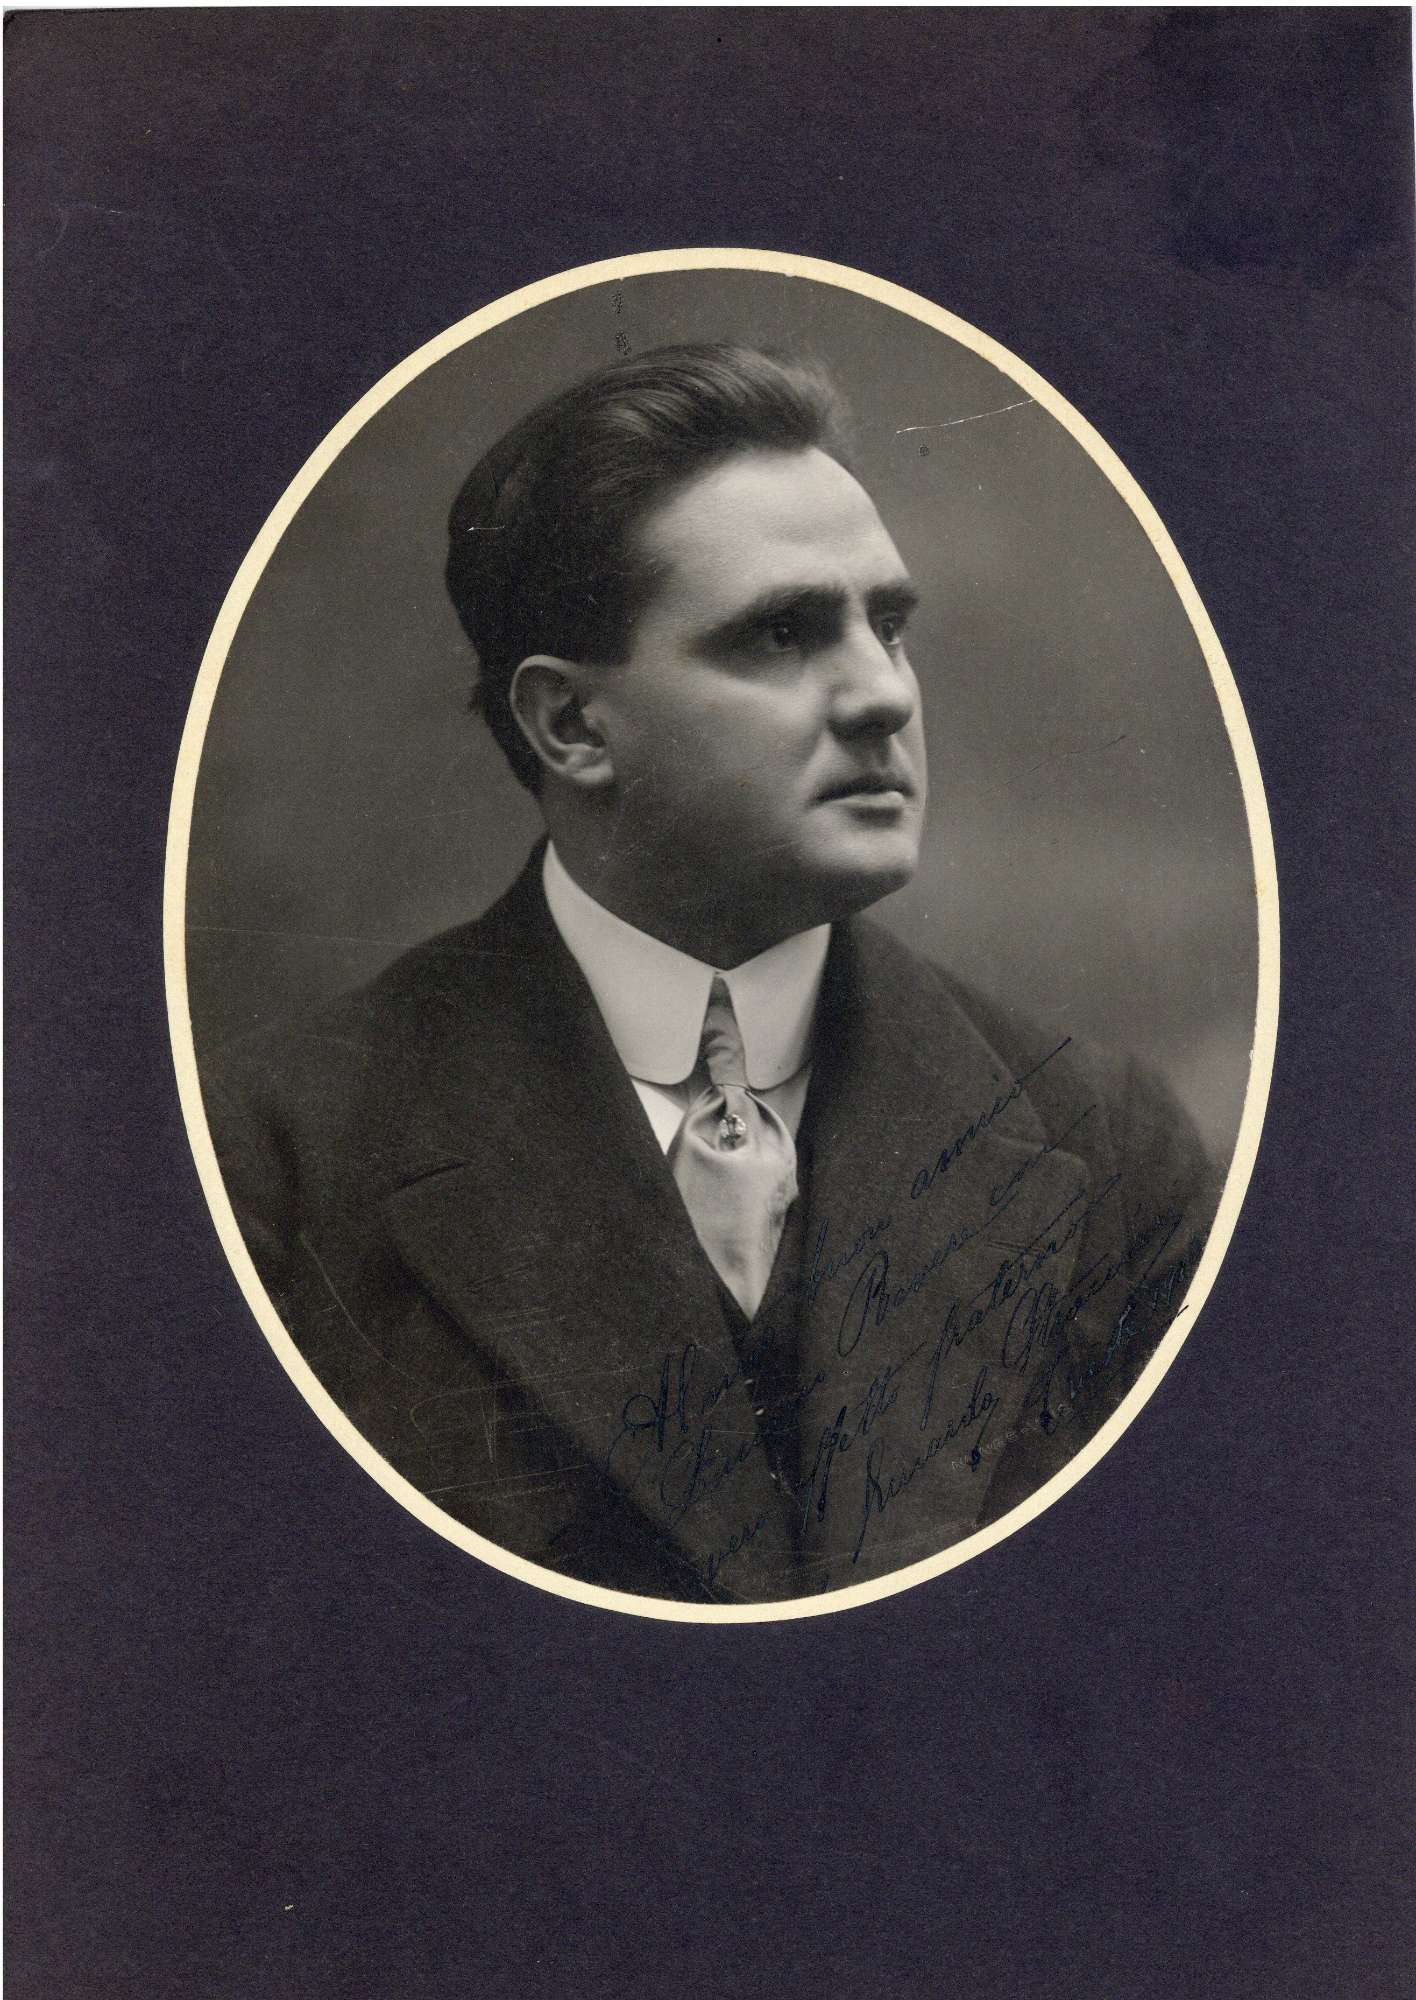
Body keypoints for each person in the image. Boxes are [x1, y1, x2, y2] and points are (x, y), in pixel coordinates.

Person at [206, 343, 1220, 1605]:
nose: (882, 695)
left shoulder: (1108, 1149)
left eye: (888, 624)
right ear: (572, 724)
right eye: (783, 633)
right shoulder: (279, 1164)